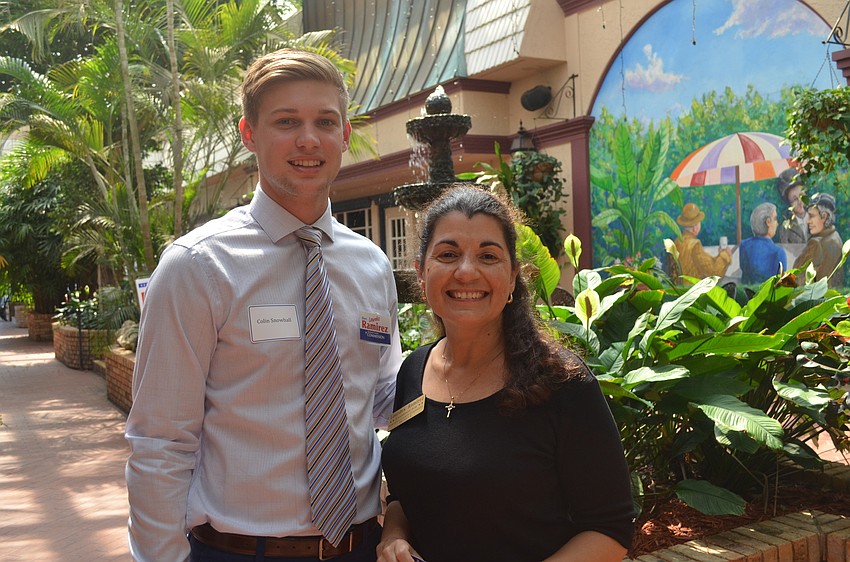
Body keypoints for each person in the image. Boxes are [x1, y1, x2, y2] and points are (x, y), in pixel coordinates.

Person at [125, 48, 403, 562]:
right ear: (248, 133)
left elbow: (385, 394)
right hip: (238, 551)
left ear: (344, 135)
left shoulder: (371, 265)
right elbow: (160, 442)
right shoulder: (197, 266)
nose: (308, 138)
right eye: (286, 121)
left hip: (360, 545)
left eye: (325, 121)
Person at [377, 184, 635, 562]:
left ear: (513, 277)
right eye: (448, 254)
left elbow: (610, 529)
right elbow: (406, 493)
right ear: (421, 272)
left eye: (488, 256)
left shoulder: (561, 382)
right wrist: (393, 536)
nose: (466, 272)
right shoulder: (413, 370)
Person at [794, 192, 844, 287]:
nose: (808, 221)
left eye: (811, 216)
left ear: (824, 216)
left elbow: (795, 278)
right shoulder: (836, 237)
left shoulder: (816, 243)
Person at [673, 202, 732, 278]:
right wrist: (725, 255)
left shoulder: (677, 242)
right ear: (695, 228)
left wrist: (718, 256)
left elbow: (706, 262)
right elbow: (713, 272)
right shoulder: (695, 245)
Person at [739, 202, 787, 285]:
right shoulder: (778, 252)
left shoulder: (744, 246)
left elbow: (745, 280)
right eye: (775, 219)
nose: (777, 223)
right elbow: (781, 286)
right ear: (768, 222)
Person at [775, 168, 808, 244]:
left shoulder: (817, 218)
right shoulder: (785, 228)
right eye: (794, 199)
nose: (800, 202)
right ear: (789, 204)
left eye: (802, 196)